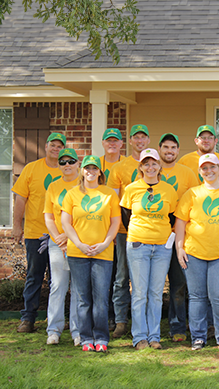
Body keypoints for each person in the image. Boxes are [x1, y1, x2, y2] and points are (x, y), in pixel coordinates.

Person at [175, 153, 219, 350]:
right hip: (194, 252)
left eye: (213, 167)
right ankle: (198, 337)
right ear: (200, 171)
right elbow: (180, 223)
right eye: (205, 168)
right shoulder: (191, 194)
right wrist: (179, 248)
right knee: (197, 296)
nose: (209, 171)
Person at [61, 155, 121, 352]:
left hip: (103, 253)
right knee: (82, 298)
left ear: (99, 172)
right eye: (87, 168)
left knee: (101, 298)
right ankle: (86, 338)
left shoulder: (109, 194)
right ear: (82, 171)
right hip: (78, 252)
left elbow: (115, 222)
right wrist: (79, 243)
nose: (90, 171)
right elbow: (66, 223)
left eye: (94, 168)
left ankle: (101, 338)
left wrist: (105, 243)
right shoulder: (72, 194)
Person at [120, 148, 178, 350]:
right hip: (138, 246)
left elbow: (171, 217)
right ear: (141, 167)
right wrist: (141, 233)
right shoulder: (131, 189)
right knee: (139, 293)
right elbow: (126, 215)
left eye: (154, 163)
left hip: (162, 247)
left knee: (155, 293)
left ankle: (154, 337)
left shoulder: (169, 190)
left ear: (159, 166)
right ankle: (139, 338)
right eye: (146, 163)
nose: (150, 167)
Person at [12, 132, 66, 333]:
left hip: (60, 236)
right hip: (36, 233)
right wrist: (17, 226)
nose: (56, 148)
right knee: (34, 275)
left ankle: (57, 319)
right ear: (46, 146)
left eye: (60, 146)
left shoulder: (68, 171)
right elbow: (20, 199)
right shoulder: (31, 169)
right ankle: (28, 318)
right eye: (53, 145)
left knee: (58, 279)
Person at [107, 124, 150, 338]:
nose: (140, 141)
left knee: (145, 279)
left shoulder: (154, 164)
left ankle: (144, 321)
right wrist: (113, 230)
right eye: (136, 137)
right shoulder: (119, 167)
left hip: (150, 231)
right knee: (122, 277)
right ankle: (121, 321)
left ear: (148, 141)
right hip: (124, 231)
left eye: (144, 137)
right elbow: (113, 201)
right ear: (130, 141)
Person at [158, 133, 198, 342]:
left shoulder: (188, 173)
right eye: (166, 147)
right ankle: (152, 328)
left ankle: (178, 327)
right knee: (153, 287)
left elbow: (196, 201)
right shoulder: (150, 170)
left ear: (178, 151)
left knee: (179, 284)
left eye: (173, 148)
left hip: (178, 235)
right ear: (159, 149)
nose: (169, 151)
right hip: (154, 236)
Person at [44, 148, 80, 346]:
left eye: (71, 161)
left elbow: (84, 214)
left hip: (78, 242)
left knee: (77, 287)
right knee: (58, 285)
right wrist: (58, 237)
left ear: (78, 164)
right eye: (63, 162)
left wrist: (69, 235)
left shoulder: (83, 185)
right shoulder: (53, 187)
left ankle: (77, 331)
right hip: (57, 242)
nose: (67, 165)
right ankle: (54, 330)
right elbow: (48, 217)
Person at [99, 127, 125, 331]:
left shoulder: (126, 165)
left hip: (121, 229)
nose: (112, 144)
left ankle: (119, 318)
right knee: (104, 275)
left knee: (119, 275)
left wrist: (115, 230)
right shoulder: (94, 165)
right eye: (109, 141)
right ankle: (104, 315)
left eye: (116, 141)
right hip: (99, 228)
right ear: (103, 143)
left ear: (121, 144)